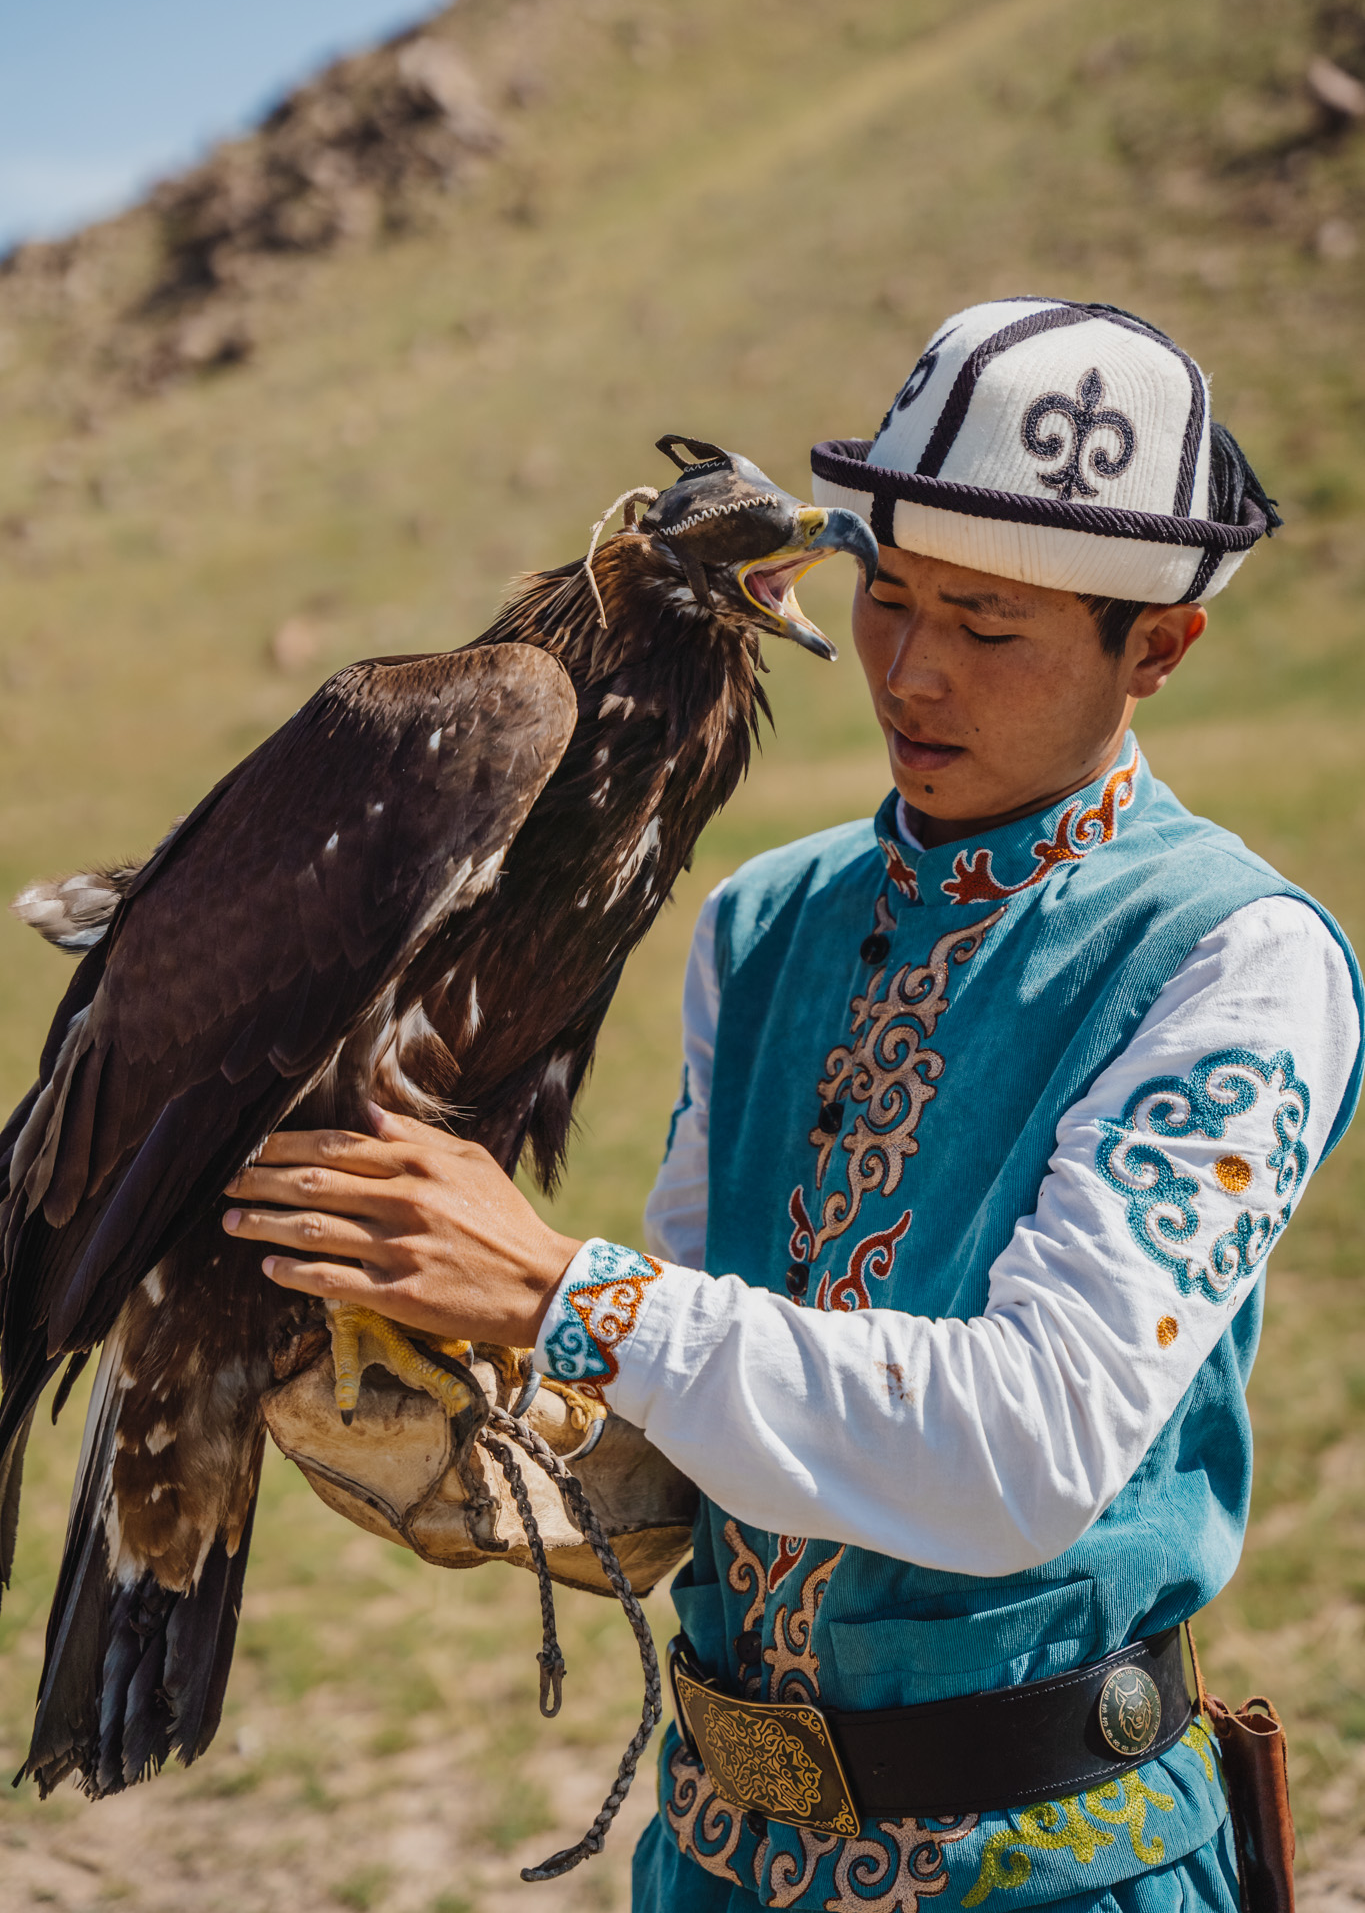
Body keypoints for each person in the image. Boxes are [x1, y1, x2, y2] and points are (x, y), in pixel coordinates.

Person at [223, 298, 1363, 1913]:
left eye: (986, 626)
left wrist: (563, 1292)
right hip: (708, 1862)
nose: (907, 668)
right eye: (887, 600)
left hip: (1051, 1879)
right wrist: (513, 1405)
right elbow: (706, 1365)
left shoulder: (1237, 964)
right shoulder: (762, 924)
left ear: (1156, 649)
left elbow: (1023, 1452)